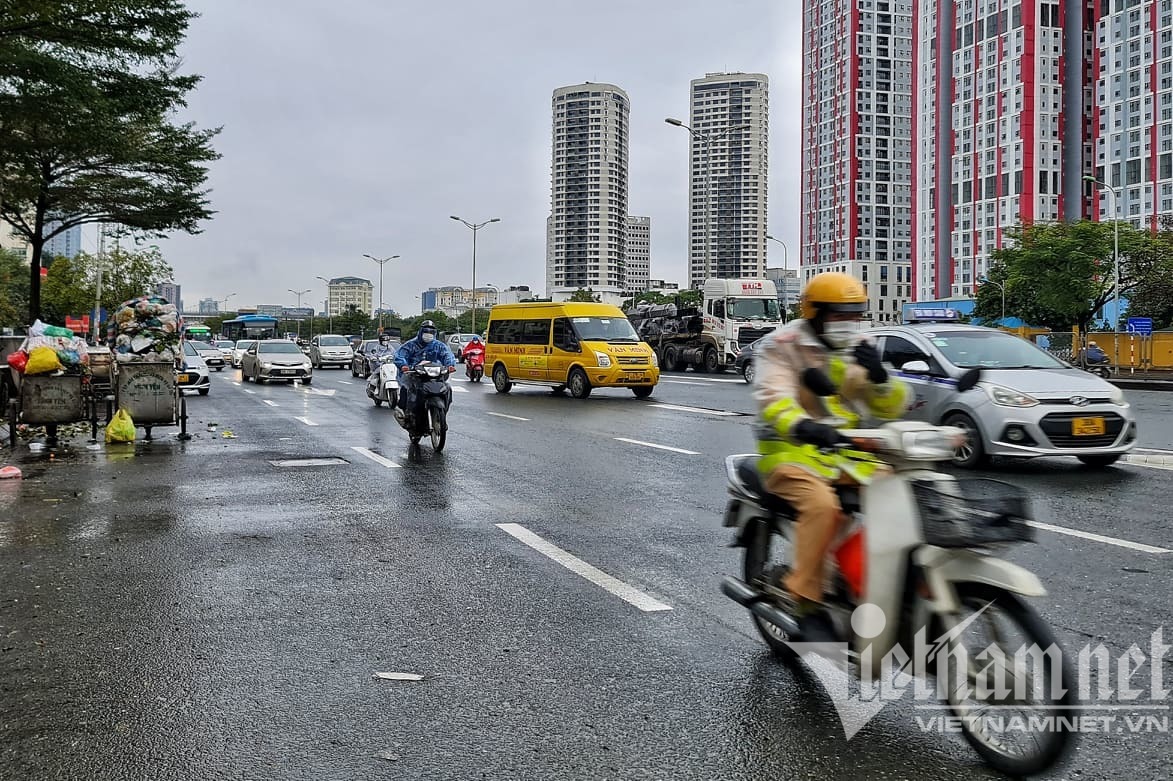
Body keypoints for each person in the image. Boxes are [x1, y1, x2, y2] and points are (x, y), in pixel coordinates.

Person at [752, 271, 910, 642]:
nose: (847, 323)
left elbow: (891, 408)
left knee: (899, 494)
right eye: (838, 315)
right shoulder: (782, 345)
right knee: (824, 508)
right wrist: (806, 427)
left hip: (847, 453)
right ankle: (806, 601)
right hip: (790, 452)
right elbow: (774, 400)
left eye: (853, 315)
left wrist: (881, 377)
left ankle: (874, 585)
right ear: (815, 313)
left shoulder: (861, 345)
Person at [394, 320, 456, 420]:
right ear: (421, 332)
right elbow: (400, 356)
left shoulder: (439, 345)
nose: (428, 334)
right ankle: (405, 413)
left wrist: (450, 365)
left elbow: (447, 355)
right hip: (414, 374)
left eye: (431, 332)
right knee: (406, 389)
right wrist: (404, 365)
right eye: (426, 331)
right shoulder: (410, 345)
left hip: (434, 374)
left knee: (447, 388)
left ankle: (441, 416)